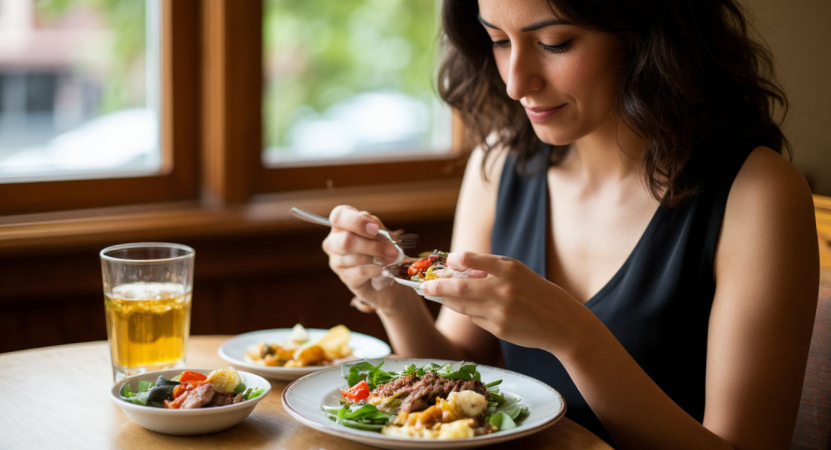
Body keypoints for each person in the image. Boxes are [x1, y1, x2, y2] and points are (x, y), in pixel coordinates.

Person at [321, 0, 820, 447]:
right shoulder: (501, 164)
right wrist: (395, 302)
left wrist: (575, 338)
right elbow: (456, 366)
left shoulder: (758, 194)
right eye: (498, 40)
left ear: (646, 35)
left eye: (554, 43)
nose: (517, 82)